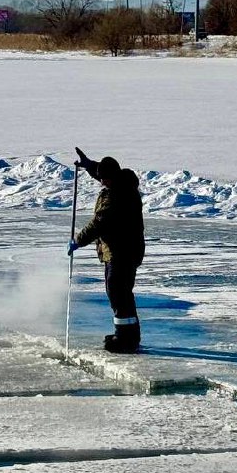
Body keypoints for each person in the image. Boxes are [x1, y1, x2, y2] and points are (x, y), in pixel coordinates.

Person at [68, 148, 145, 353]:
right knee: (119, 292)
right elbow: (103, 173)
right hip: (117, 251)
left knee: (119, 293)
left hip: (123, 251)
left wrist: (78, 241)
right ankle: (127, 334)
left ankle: (126, 339)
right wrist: (90, 165)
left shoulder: (118, 196)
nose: (101, 182)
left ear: (113, 178)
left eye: (104, 179)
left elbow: (99, 224)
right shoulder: (120, 182)